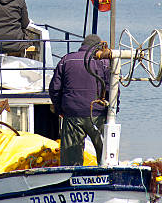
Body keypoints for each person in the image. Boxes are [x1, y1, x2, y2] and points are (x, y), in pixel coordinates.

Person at [49, 33, 116, 166]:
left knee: (71, 160)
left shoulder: (66, 60)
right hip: (97, 115)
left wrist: (60, 110)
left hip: (72, 115)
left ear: (83, 45)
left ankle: (72, 181)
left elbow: (54, 89)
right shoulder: (104, 62)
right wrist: (112, 111)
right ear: (98, 48)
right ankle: (105, 179)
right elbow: (113, 89)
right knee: (106, 156)